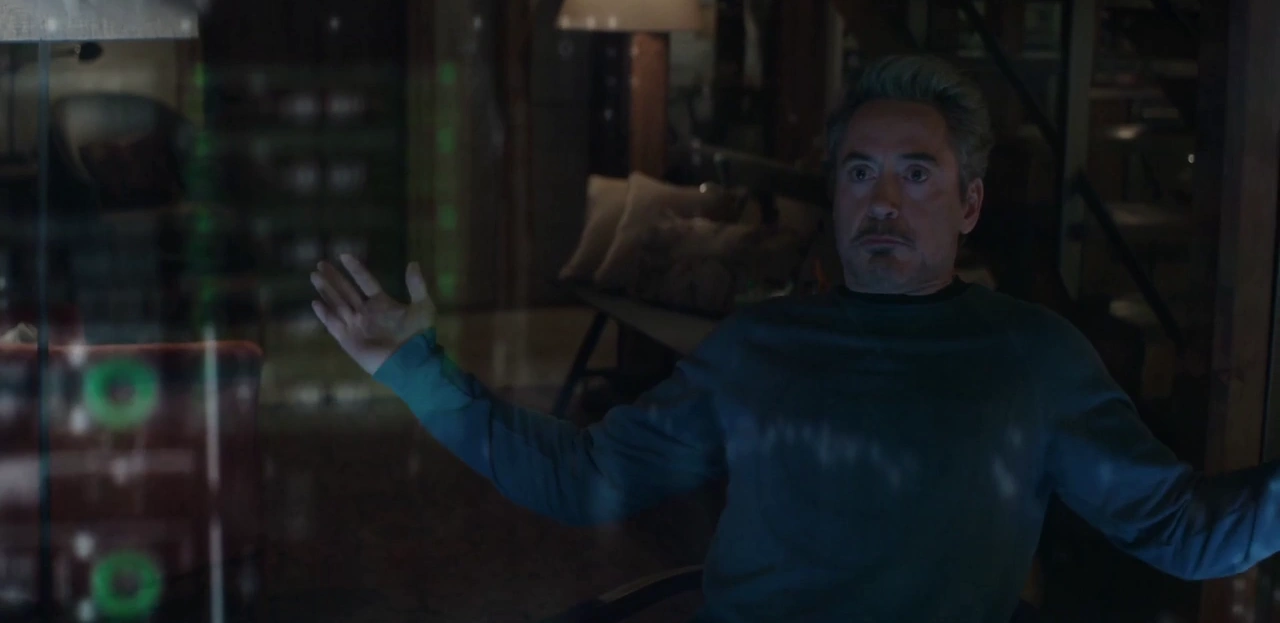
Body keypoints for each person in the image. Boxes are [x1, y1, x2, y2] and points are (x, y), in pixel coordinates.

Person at [308, 55, 1280, 623]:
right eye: (859, 173)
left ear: (969, 203)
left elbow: (1184, 529)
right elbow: (585, 477)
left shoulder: (1035, 357)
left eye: (915, 173)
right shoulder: (757, 346)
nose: (882, 200)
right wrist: (412, 369)